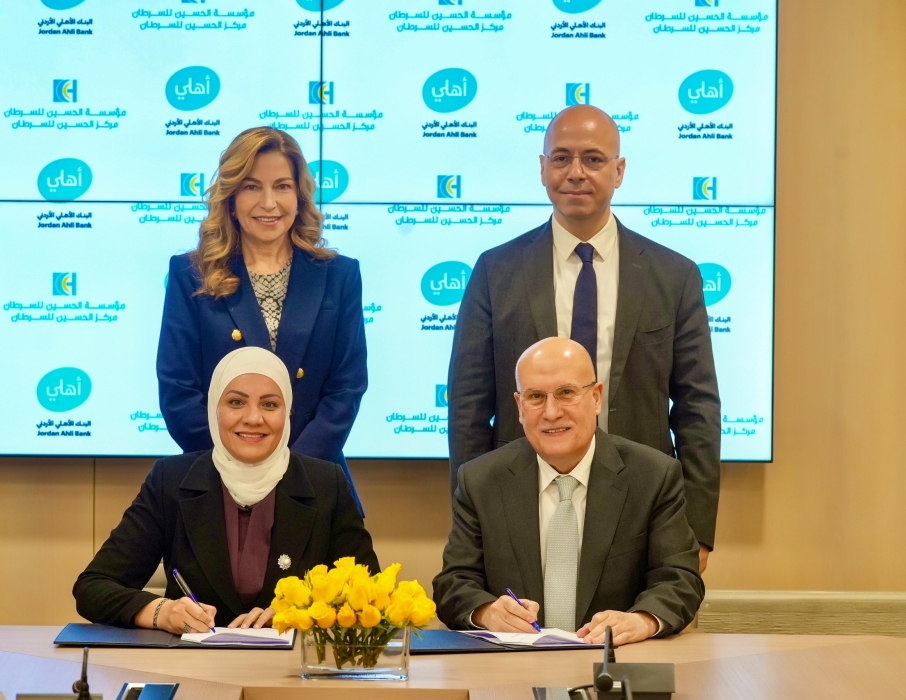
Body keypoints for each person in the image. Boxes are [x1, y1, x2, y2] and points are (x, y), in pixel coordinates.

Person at [447, 105, 720, 571]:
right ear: (542, 168)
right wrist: (471, 518)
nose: (576, 172)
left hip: (643, 509)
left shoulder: (674, 276)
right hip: (520, 505)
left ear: (619, 171)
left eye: (593, 159)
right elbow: (468, 406)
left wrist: (695, 528)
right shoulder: (496, 272)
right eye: (561, 158)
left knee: (641, 621)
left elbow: (698, 409)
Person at [74, 347, 379, 632]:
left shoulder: (327, 484)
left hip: (291, 666)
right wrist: (160, 612)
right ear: (214, 410)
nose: (253, 418)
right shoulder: (172, 480)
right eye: (236, 402)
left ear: (287, 413)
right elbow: (93, 587)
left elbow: (372, 597)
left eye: (270, 404)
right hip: (194, 665)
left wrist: (304, 614)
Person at [433, 338, 703, 645]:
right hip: (513, 665)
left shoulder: (653, 476)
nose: (551, 413)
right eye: (536, 397)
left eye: (566, 393)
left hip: (614, 662)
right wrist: (486, 613)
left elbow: (680, 580)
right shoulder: (480, 480)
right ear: (520, 407)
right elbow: (453, 583)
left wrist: (641, 620)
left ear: (596, 398)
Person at [158, 126, 367, 512]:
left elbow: (346, 389)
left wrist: (289, 476)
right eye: (252, 187)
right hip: (217, 488)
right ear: (231, 197)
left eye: (282, 186)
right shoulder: (192, 274)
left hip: (313, 485)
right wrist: (240, 472)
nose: (269, 203)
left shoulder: (339, 275)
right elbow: (178, 391)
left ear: (299, 196)